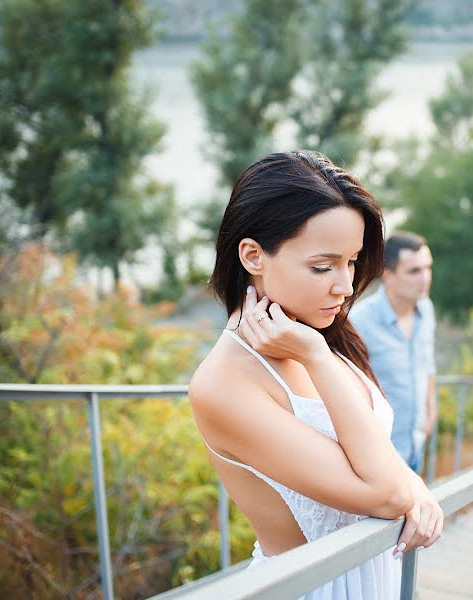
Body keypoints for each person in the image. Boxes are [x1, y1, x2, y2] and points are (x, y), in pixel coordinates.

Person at [188, 150, 443, 599]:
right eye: (323, 266)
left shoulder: (322, 332)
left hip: (376, 578)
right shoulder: (223, 385)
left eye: (351, 262)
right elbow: (385, 494)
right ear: (252, 256)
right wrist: (316, 357)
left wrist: (416, 484)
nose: (345, 286)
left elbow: (378, 456)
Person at [350, 232, 436, 473]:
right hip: (380, 455)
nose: (425, 278)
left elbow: (427, 363)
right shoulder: (360, 321)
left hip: (416, 441)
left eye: (428, 268)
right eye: (414, 271)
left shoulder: (426, 309)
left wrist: (431, 409)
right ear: (388, 274)